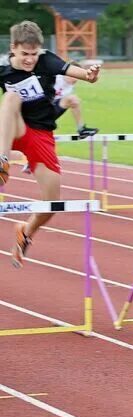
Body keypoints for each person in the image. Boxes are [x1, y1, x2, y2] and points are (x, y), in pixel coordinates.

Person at [0, 20, 100, 268]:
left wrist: (90, 75)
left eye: (34, 54)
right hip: (14, 126)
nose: (30, 60)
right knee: (11, 97)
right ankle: (2, 162)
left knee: (51, 203)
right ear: (13, 48)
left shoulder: (46, 60)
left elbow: (81, 75)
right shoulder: (2, 69)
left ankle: (26, 232)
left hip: (41, 133)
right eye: (24, 54)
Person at [21, 63, 99, 173]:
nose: (75, 80)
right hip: (37, 110)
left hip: (49, 111)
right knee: (39, 138)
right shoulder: (55, 77)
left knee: (73, 100)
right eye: (74, 76)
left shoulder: (69, 87)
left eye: (78, 78)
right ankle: (31, 161)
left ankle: (82, 129)